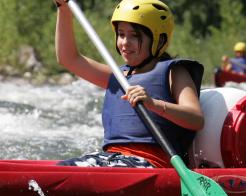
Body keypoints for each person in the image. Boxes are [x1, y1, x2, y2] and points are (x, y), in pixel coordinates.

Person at [53, 0, 204, 168]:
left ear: (159, 40)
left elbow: (195, 119)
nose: (125, 42)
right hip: (111, 159)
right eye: (121, 34)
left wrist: (154, 104)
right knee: (61, 169)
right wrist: (63, 8)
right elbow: (68, 59)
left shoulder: (173, 72)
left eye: (134, 36)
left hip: (151, 163)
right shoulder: (117, 77)